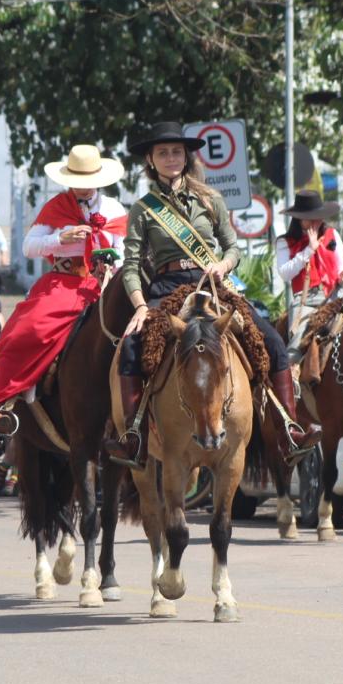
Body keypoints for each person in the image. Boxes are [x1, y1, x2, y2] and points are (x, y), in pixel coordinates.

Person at [107, 122, 318, 469]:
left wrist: (223, 264)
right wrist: (141, 306)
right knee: (130, 346)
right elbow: (131, 264)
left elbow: (233, 247)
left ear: (186, 157)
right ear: (150, 159)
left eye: (177, 152)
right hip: (166, 287)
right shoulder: (143, 208)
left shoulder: (210, 198)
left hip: (212, 284)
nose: (171, 158)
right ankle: (134, 438)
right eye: (163, 152)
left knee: (271, 342)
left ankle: (289, 430)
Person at [0, 144, 127, 432]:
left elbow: (122, 249)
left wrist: (112, 266)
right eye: (77, 181)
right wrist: (61, 238)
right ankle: (4, 402)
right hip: (64, 283)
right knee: (29, 329)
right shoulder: (56, 206)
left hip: (105, 284)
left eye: (89, 181)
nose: (83, 188)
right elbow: (28, 247)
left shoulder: (114, 209)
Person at [274, 189, 343, 357]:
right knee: (296, 344)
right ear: (299, 219)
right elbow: (285, 274)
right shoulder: (284, 242)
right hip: (305, 300)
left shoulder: (332, 234)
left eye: (318, 217)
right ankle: (293, 370)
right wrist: (309, 249)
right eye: (310, 218)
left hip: (335, 296)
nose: (316, 221)